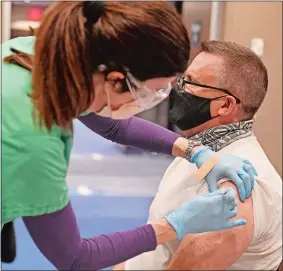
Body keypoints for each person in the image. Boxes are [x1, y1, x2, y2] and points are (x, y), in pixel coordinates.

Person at [2, 2, 256, 270]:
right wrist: (175, 225)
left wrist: (195, 151)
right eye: (151, 92)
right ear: (114, 80)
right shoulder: (32, 139)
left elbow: (114, 126)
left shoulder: (44, 58)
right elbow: (75, 257)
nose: (154, 100)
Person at [119, 41, 282, 271]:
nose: (179, 88)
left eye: (191, 82)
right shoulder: (201, 150)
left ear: (225, 105)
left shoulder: (237, 188)